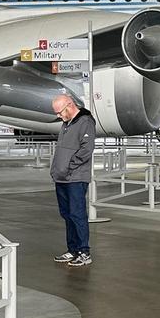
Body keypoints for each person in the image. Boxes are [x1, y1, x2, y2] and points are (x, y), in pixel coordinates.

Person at [50, 92, 96, 266]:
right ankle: (73, 250)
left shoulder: (85, 122)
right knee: (67, 215)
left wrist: (69, 166)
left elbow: (86, 149)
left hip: (76, 178)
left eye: (60, 112)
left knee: (77, 215)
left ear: (69, 105)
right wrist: (56, 170)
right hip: (61, 177)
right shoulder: (67, 123)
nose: (58, 116)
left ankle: (84, 252)